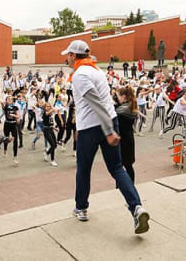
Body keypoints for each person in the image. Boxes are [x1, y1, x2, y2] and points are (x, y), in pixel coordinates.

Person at [64, 39, 150, 234]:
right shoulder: (96, 70)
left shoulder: (80, 75)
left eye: (68, 55)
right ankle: (136, 207)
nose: (66, 58)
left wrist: (108, 130)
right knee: (117, 168)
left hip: (94, 127)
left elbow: (95, 102)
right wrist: (109, 126)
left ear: (74, 55)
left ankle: (81, 207)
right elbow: (99, 101)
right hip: (108, 120)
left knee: (84, 169)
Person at [115, 86, 138, 183]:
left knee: (118, 167)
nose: (117, 98)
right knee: (129, 166)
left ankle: (121, 186)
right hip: (129, 138)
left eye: (118, 96)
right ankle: (131, 185)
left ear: (123, 96)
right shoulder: (131, 106)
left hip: (122, 140)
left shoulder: (121, 110)